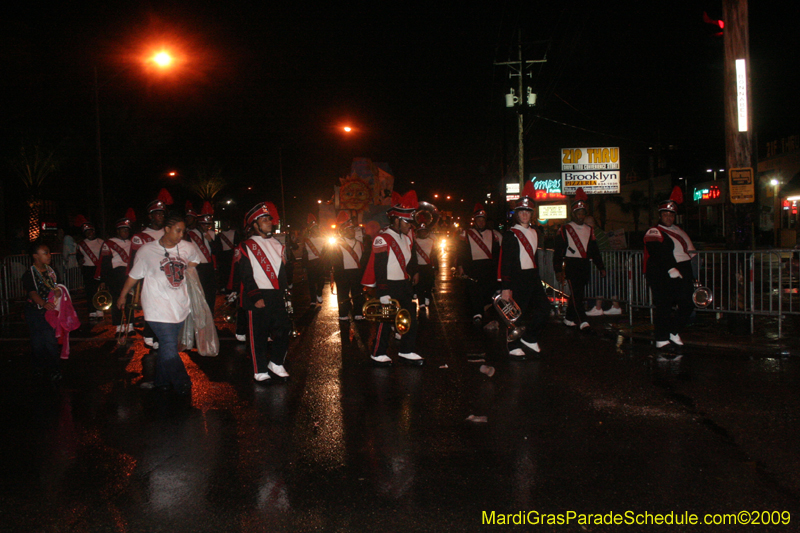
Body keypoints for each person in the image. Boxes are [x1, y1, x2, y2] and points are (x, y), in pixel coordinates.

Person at [116, 213, 202, 394]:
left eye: (183, 232)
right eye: (178, 231)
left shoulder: (187, 247)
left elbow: (195, 260)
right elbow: (134, 275)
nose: (181, 235)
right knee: (169, 345)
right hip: (156, 308)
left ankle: (161, 381)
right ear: (167, 229)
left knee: (166, 346)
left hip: (179, 306)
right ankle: (182, 382)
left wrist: (190, 271)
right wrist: (123, 295)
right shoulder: (146, 251)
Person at [361, 191, 423, 366]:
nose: (410, 226)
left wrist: (414, 274)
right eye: (407, 222)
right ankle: (378, 353)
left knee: (410, 318)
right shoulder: (382, 238)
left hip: (403, 284)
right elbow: (379, 267)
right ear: (396, 220)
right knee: (385, 321)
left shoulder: (406, 237)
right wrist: (382, 291)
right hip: (388, 285)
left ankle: (406, 350)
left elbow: (409, 261)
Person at [235, 202, 292, 381]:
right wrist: (255, 296)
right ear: (255, 224)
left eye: (270, 219)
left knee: (285, 329)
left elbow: (281, 273)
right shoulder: (246, 245)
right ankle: (260, 369)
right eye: (265, 219)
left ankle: (276, 362)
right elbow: (245, 274)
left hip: (275, 294)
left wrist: (286, 292)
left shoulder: (277, 244)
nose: (270, 222)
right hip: (257, 295)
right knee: (258, 335)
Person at [498, 181, 552, 359]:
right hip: (517, 278)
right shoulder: (511, 234)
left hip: (532, 277)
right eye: (521, 211)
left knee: (545, 308)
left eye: (527, 211)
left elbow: (533, 257)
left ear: (531, 213)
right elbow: (505, 261)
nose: (524, 214)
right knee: (515, 315)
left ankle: (529, 338)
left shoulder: (536, 232)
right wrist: (506, 286)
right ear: (517, 214)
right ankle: (512, 344)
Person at [644, 186, 696, 352]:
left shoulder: (678, 230)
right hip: (662, 273)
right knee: (664, 306)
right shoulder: (654, 231)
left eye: (671, 214)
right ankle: (661, 338)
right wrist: (671, 268)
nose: (668, 217)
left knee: (688, 304)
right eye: (665, 214)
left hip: (683, 271)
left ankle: (673, 331)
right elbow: (657, 252)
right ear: (660, 215)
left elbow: (691, 252)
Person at [553, 188, 606, 332]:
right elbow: (558, 251)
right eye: (578, 213)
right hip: (571, 264)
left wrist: (601, 266)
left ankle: (569, 319)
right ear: (573, 213)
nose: (581, 216)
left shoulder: (590, 230)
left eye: (583, 213)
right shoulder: (565, 229)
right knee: (577, 293)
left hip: (584, 264)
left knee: (578, 293)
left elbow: (594, 251)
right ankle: (582, 320)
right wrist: (558, 269)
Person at [131, 193, 170, 348]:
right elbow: (133, 261)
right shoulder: (139, 236)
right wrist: (132, 284)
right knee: (152, 307)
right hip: (149, 279)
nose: (160, 216)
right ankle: (150, 334)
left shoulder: (169, 233)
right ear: (150, 216)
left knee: (166, 308)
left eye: (162, 213)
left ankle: (159, 335)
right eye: (157, 213)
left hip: (167, 277)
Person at [22, 242, 63, 382]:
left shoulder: (52, 272)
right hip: (34, 311)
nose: (49, 255)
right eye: (45, 252)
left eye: (49, 252)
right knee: (37, 342)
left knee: (50, 341)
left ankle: (54, 369)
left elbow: (57, 287)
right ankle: (38, 367)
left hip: (48, 312)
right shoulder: (30, 274)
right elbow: (32, 293)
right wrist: (43, 303)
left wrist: (58, 292)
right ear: (35, 256)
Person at [456, 203, 502, 324]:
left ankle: (483, 307)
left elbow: (497, 252)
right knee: (474, 290)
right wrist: (460, 266)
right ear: (475, 220)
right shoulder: (466, 233)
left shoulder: (493, 233)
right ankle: (477, 313)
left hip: (488, 267)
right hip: (473, 267)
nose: (481, 222)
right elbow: (460, 251)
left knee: (488, 289)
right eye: (479, 220)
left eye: (483, 220)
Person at [330, 211, 369, 322]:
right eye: (349, 229)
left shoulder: (360, 243)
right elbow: (333, 259)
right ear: (343, 231)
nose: (352, 231)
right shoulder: (337, 244)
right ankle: (343, 313)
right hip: (343, 273)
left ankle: (358, 312)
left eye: (352, 229)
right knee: (343, 294)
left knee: (358, 294)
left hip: (357, 273)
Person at [100, 216, 133, 333]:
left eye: (127, 230)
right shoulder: (109, 243)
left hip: (128, 274)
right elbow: (105, 262)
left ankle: (130, 325)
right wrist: (104, 279)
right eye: (123, 230)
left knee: (129, 299)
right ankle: (119, 326)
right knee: (116, 300)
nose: (126, 232)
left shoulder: (132, 242)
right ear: (118, 231)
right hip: (114, 274)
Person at [584, 216, 623, 316]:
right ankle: (615, 306)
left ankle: (599, 307)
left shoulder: (593, 233)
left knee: (601, 284)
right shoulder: (598, 232)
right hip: (608, 262)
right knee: (607, 285)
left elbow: (590, 248)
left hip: (604, 263)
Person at [187, 207, 217, 316]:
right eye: (204, 224)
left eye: (208, 224)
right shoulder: (190, 234)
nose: (206, 226)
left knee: (210, 293)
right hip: (197, 267)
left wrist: (209, 239)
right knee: (198, 292)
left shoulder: (212, 234)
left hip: (209, 267)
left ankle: (210, 315)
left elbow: (217, 250)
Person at [75, 218, 104, 319]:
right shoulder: (81, 244)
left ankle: (99, 309)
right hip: (88, 269)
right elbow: (78, 256)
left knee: (99, 290)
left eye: (90, 231)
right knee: (89, 291)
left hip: (98, 268)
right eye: (86, 232)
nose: (89, 233)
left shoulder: (101, 242)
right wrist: (80, 260)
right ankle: (91, 311)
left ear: (94, 231)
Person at [302, 214, 327, 307]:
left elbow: (327, 252)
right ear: (311, 230)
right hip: (310, 263)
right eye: (314, 228)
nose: (316, 230)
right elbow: (304, 254)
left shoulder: (323, 239)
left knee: (321, 281)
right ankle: (313, 299)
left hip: (320, 262)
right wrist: (304, 266)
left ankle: (319, 293)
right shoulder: (307, 240)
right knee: (311, 282)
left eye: (317, 228)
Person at [413, 221, 438, 309]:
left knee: (429, 283)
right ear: (418, 232)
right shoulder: (414, 242)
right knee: (419, 285)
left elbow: (435, 255)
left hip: (429, 266)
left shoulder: (431, 241)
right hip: (418, 266)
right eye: (421, 231)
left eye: (424, 231)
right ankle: (421, 303)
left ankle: (427, 295)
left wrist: (436, 267)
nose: (423, 233)